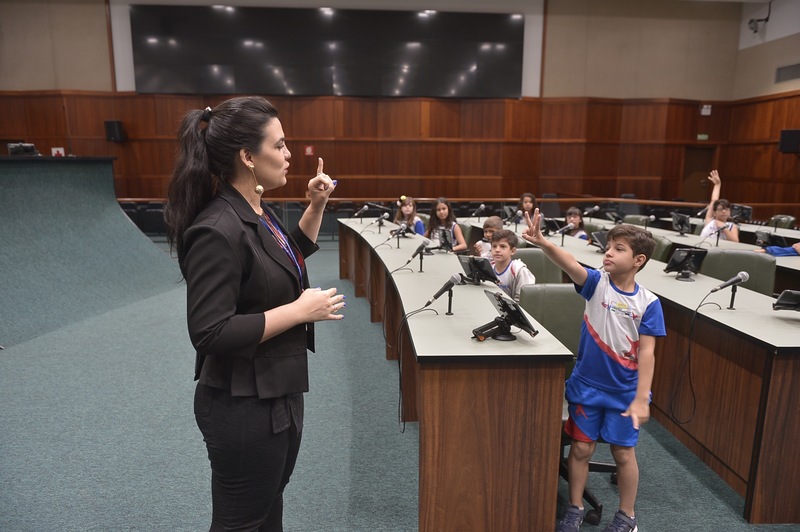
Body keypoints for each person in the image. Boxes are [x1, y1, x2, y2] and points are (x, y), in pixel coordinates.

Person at [164, 96, 346, 531]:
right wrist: (298, 311)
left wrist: (316, 206)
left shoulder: (254, 210)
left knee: (267, 512)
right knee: (241, 522)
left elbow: (282, 261)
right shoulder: (216, 228)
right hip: (241, 404)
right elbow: (210, 332)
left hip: (275, 391)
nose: (289, 155)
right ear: (247, 157)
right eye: (279, 146)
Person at [521, 209, 666, 532]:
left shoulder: (649, 302)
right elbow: (570, 263)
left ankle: (627, 516)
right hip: (587, 386)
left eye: (618, 249)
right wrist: (543, 242)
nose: (608, 253)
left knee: (623, 454)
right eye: (608, 247)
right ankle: (574, 507)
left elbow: (647, 353)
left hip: (624, 392)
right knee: (581, 448)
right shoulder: (596, 284)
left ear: (639, 260)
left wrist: (641, 398)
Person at [489, 229, 536, 302]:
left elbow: (524, 299)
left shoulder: (519, 271)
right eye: (494, 246)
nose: (497, 250)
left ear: (513, 251)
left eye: (502, 246)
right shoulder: (488, 268)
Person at [699, 170, 739, 242]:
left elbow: (735, 241)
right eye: (720, 209)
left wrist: (724, 228)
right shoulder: (710, 220)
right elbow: (714, 200)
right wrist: (717, 185)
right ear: (714, 212)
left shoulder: (732, 226)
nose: (724, 211)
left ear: (730, 213)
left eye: (726, 209)